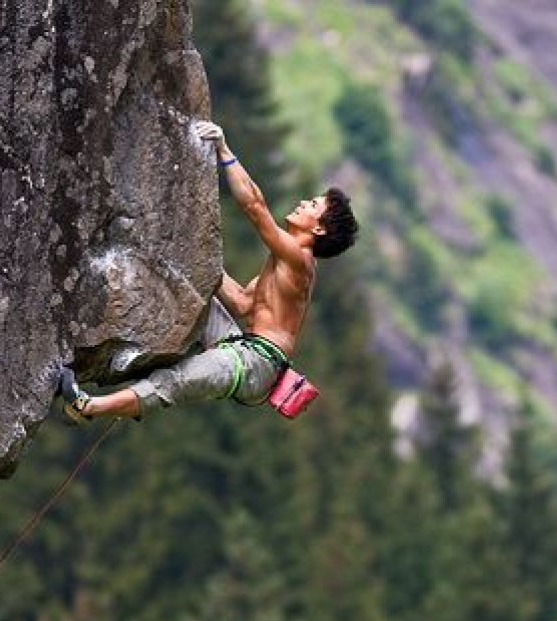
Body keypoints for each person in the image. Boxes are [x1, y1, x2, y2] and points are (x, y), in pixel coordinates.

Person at [59, 120, 359, 422]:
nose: (303, 203)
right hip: (244, 348)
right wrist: (197, 261)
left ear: (318, 227)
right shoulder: (287, 262)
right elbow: (242, 302)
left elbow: (255, 207)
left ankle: (88, 408)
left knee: (175, 382)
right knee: (186, 289)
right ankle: (134, 364)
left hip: (254, 364)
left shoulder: (300, 259)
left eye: (313, 204)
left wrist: (224, 150)